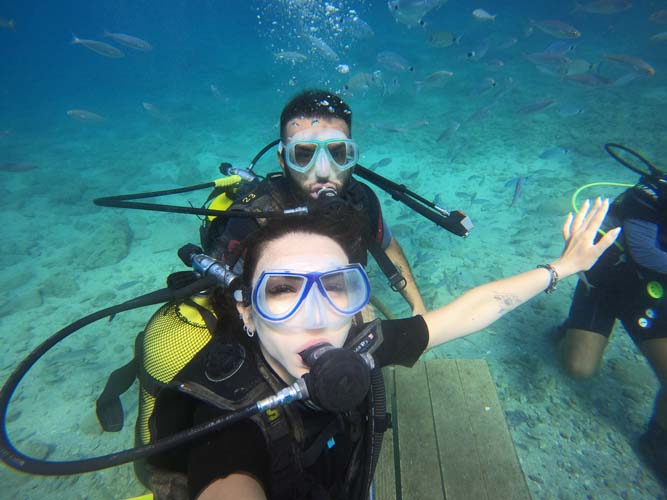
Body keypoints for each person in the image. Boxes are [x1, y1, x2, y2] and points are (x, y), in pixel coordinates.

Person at [145, 198, 618, 500]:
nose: (317, 315)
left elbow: (472, 309)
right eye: (283, 290)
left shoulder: (360, 345)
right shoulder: (226, 420)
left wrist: (562, 267)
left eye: (336, 286)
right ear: (247, 313)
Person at [201, 89, 426, 315]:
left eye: (337, 153)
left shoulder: (361, 200)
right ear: (282, 160)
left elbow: (386, 245)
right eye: (304, 155)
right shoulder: (251, 221)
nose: (323, 171)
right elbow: (229, 299)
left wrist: (418, 307)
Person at [558, 177, 667, 486]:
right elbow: (644, 252)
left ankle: (657, 438)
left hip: (653, 293)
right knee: (578, 369)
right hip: (607, 282)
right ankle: (569, 330)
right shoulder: (649, 195)